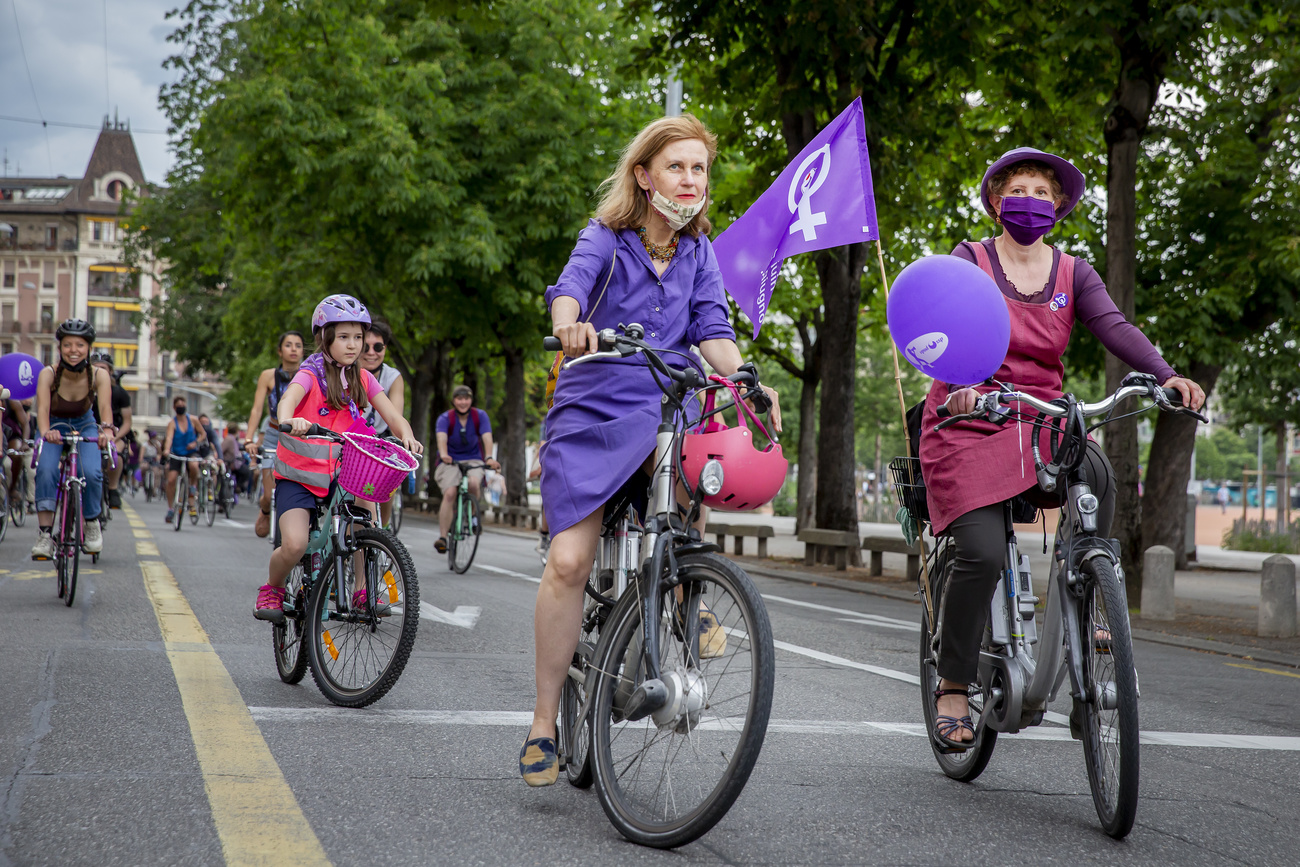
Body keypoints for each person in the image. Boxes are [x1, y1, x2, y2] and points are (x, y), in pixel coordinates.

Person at [522, 114, 781, 787]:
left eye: (699, 168)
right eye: (676, 167)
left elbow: (713, 329)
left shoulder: (699, 252)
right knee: (570, 560)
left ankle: (685, 590)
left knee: (701, 469)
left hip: (668, 400)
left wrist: (745, 376)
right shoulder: (605, 238)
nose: (690, 179)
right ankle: (544, 723)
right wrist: (570, 326)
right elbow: (570, 286)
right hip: (594, 404)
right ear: (644, 175)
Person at [918, 147, 1206, 749]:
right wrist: (959, 386)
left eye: (1044, 193)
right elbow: (937, 323)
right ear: (997, 201)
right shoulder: (968, 259)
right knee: (980, 551)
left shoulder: (1074, 272)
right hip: (970, 414)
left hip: (1043, 416)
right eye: (1018, 190)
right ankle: (952, 684)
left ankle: (1090, 594)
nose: (1031, 201)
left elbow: (1115, 327)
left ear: (1060, 208)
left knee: (1096, 471)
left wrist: (1165, 374)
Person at [253, 294, 422, 620]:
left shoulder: (362, 377)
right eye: (344, 337)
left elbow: (392, 415)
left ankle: (362, 590)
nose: (353, 345)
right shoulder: (310, 372)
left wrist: (408, 435)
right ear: (324, 338)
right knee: (295, 545)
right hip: (299, 476)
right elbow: (288, 399)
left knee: (367, 513)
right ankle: (272, 587)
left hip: (343, 472)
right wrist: (292, 420)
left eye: (358, 337)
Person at [30, 319, 113, 558]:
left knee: (92, 471)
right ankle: (45, 535)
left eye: (79, 345)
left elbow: (105, 410)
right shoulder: (48, 374)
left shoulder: (99, 375)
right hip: (53, 424)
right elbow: (42, 411)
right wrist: (46, 432)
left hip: (85, 425)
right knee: (46, 470)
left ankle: (91, 524)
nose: (73, 350)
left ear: (89, 348)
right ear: (60, 348)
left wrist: (106, 432)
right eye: (67, 345)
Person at [244, 331, 305, 538]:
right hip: (273, 433)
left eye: (298, 345)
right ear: (280, 351)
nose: (294, 349)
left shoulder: (311, 374)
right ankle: (265, 510)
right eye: (289, 345)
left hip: (301, 436)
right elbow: (256, 409)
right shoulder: (268, 376)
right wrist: (249, 439)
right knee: (269, 495)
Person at [433, 385, 499, 554]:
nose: (463, 402)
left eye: (466, 398)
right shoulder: (445, 418)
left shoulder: (480, 416)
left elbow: (487, 437)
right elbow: (441, 438)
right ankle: (442, 538)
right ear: (454, 400)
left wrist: (489, 457)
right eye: (459, 399)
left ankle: (473, 517)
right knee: (449, 493)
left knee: (474, 483)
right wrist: (444, 454)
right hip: (450, 460)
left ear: (471, 400)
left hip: (473, 458)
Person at [359, 320, 405, 527]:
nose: (371, 352)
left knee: (390, 477)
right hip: (352, 436)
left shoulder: (393, 377)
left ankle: (383, 532)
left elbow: (395, 415)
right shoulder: (348, 372)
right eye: (365, 346)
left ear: (385, 348)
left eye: (378, 347)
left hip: (381, 436)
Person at [89, 351, 133, 509]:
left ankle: (113, 488)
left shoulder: (120, 393)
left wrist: (115, 436)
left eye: (103, 368)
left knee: (116, 455)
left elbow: (127, 422)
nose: (100, 372)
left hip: (115, 433)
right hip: (89, 432)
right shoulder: (84, 390)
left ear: (111, 372)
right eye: (96, 368)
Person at [162, 396, 207, 523]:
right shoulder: (172, 423)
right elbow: (169, 438)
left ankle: (193, 486)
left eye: (183, 404)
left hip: (191, 452)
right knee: (171, 480)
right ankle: (171, 508)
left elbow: (203, 434)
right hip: (177, 454)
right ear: (174, 408)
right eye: (178, 405)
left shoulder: (193, 420)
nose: (181, 407)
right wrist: (166, 449)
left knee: (194, 466)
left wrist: (195, 442)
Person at [3, 397, 30, 507]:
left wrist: (25, 442)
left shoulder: (13, 402)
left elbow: (25, 424)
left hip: (12, 437)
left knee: (16, 454)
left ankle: (13, 487)